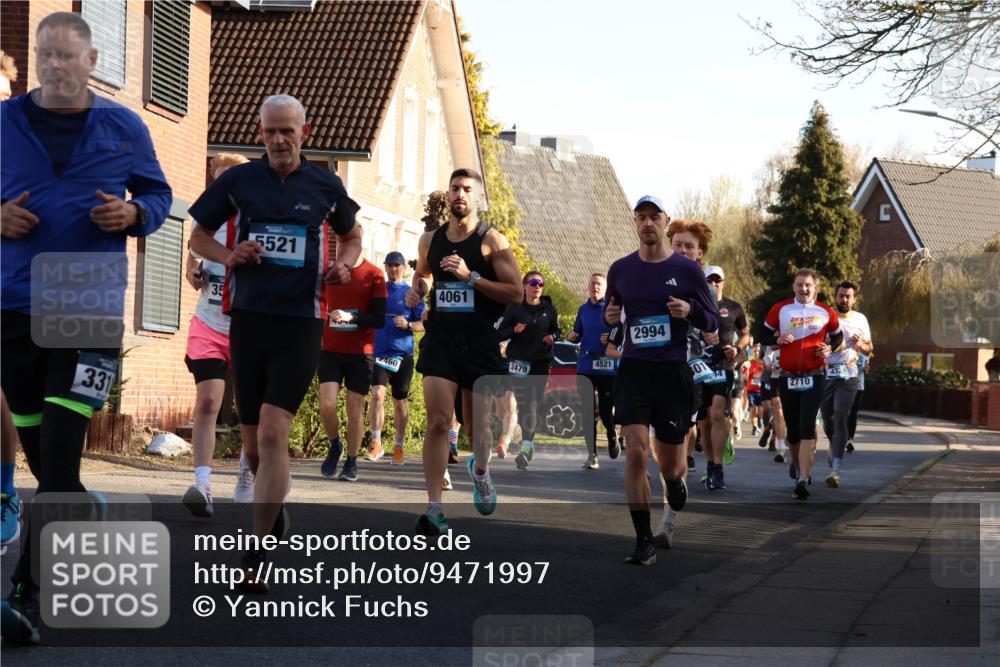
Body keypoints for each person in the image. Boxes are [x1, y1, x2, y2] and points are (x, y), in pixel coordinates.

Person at [0, 12, 172, 643]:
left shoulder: (124, 126)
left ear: (92, 60)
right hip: (12, 304)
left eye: (66, 56)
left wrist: (132, 212)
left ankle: (27, 588)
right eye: (45, 55)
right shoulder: (3, 123)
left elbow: (157, 198)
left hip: (86, 303)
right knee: (42, 453)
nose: (53, 65)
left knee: (64, 449)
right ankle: (72, 509)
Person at [189, 94, 362, 590]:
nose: (279, 140)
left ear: (305, 133)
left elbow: (352, 235)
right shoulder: (239, 181)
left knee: (271, 432)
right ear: (260, 133)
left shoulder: (326, 184)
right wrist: (230, 251)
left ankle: (255, 558)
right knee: (254, 447)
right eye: (270, 132)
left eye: (288, 131)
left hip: (301, 323)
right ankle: (274, 505)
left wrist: (344, 262)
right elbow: (197, 236)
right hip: (248, 320)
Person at [407, 169, 522, 535]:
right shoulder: (430, 240)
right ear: (448, 194)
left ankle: (482, 471)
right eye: (455, 188)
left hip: (479, 343)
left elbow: (516, 293)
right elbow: (423, 275)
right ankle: (434, 507)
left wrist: (472, 277)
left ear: (477, 198)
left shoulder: (491, 241)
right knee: (439, 422)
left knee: (476, 431)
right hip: (441, 340)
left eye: (467, 189)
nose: (460, 194)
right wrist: (419, 289)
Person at [605, 196, 719, 564]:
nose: (648, 223)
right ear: (635, 223)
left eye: (655, 217)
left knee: (670, 463)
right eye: (641, 217)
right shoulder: (620, 269)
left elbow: (713, 321)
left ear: (664, 221)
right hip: (635, 371)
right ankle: (643, 541)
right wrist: (610, 316)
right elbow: (613, 314)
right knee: (636, 452)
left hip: (672, 374)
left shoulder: (688, 272)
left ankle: (672, 482)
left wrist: (690, 310)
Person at [182, 153, 249, 518]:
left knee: (249, 407)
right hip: (208, 323)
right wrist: (193, 273)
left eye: (230, 179)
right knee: (208, 402)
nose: (222, 186)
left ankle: (248, 468)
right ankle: (203, 484)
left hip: (247, 327)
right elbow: (191, 258)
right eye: (217, 179)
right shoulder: (202, 218)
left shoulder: (256, 219)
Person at [763, 269, 844, 500]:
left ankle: (802, 478)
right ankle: (799, 467)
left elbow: (838, 337)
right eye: (799, 285)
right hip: (787, 375)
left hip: (814, 374)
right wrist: (777, 340)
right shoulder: (781, 309)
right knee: (793, 427)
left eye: (808, 285)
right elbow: (763, 335)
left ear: (816, 288)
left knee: (808, 424)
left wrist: (830, 348)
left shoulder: (826, 311)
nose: (804, 289)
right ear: (793, 287)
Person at [318, 229, 386, 482]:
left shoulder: (374, 274)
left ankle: (352, 461)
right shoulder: (328, 273)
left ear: (359, 238)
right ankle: (335, 444)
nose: (342, 241)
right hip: (331, 350)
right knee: (327, 403)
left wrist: (352, 317)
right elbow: (316, 302)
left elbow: (379, 319)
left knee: (354, 408)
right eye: (338, 236)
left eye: (347, 236)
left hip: (361, 353)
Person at [495, 271, 560, 471]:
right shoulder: (514, 308)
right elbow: (498, 332)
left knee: (530, 407)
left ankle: (525, 449)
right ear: (525, 286)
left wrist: (553, 337)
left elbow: (556, 330)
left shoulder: (549, 309)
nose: (537, 286)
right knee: (510, 401)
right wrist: (513, 331)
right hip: (517, 362)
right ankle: (506, 439)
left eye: (540, 283)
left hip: (539, 363)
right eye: (533, 283)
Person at [665, 220, 716, 475]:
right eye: (677, 245)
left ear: (700, 252)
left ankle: (677, 473)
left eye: (689, 246)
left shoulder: (705, 287)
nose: (682, 250)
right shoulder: (653, 275)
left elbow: (712, 320)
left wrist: (691, 310)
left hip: (689, 361)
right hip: (654, 360)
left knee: (682, 423)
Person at [370, 251, 425, 466]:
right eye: (390, 265)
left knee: (400, 403)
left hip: (403, 354)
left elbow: (424, 323)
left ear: (404, 268)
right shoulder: (378, 290)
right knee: (376, 395)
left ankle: (399, 445)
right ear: (385, 267)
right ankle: (376, 441)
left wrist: (409, 325)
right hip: (380, 353)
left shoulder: (411, 293)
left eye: (397, 265)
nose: (393, 268)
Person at [697, 265, 749, 491]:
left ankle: (718, 468)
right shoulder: (694, 305)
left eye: (717, 279)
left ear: (723, 282)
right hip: (698, 367)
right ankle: (710, 463)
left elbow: (746, 333)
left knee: (718, 413)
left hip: (723, 366)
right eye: (709, 279)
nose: (713, 283)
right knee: (704, 420)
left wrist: (737, 348)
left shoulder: (734, 307)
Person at [819, 281, 872, 487]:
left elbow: (869, 348)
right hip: (827, 373)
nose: (844, 300)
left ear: (854, 299)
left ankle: (836, 470)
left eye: (848, 296)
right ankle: (834, 444)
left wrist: (860, 345)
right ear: (836, 296)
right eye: (841, 296)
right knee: (827, 418)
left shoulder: (860, 319)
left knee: (841, 415)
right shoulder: (826, 317)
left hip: (849, 374)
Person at [568, 273, 619, 470]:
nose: (595, 287)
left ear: (605, 289)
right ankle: (592, 454)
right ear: (588, 287)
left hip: (607, 365)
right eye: (592, 284)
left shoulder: (613, 310)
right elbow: (577, 333)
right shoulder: (583, 309)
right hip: (587, 363)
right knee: (587, 410)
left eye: (599, 284)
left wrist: (612, 338)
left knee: (606, 411)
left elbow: (623, 333)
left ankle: (611, 433)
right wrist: (572, 336)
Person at [747, 345, 765, 436]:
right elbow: (744, 377)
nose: (757, 353)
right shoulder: (749, 363)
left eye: (758, 351)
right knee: (753, 408)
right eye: (755, 351)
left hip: (762, 390)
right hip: (751, 390)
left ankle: (760, 418)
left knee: (761, 410)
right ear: (752, 352)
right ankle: (754, 427)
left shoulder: (764, 362)